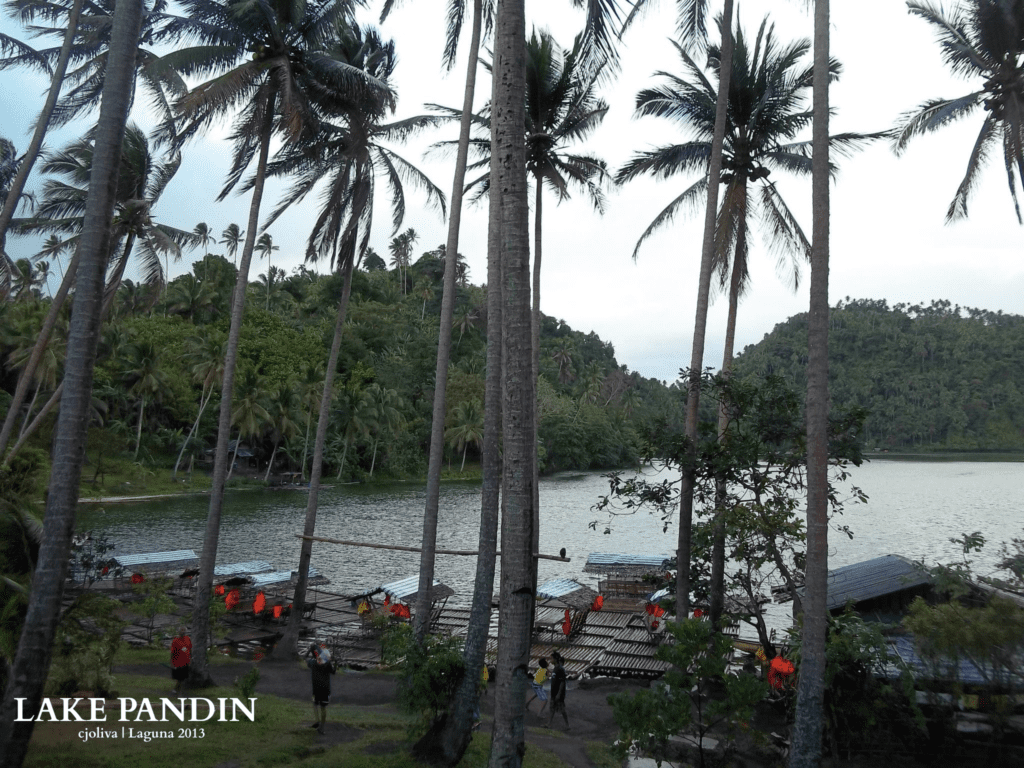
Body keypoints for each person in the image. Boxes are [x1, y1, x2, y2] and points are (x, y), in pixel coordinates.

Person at [306, 643, 336, 734]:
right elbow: (333, 671)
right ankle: (322, 727)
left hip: (316, 688)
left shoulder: (312, 663)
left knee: (315, 703)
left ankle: (317, 720)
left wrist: (309, 652)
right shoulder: (327, 664)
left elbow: (306, 659)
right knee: (323, 707)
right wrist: (334, 662)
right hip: (325, 689)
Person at [547, 651, 569, 730]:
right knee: (552, 709)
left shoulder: (560, 669)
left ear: (556, 659)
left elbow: (562, 682)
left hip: (558, 693)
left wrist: (559, 694)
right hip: (554, 692)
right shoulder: (555, 668)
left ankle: (567, 725)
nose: (551, 660)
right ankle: (549, 724)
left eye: (552, 658)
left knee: (562, 709)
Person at [170, 626, 192, 694]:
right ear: (179, 631)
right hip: (178, 661)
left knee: (183, 677)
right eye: (182, 630)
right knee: (179, 677)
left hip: (186, 660)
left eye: (184, 630)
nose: (183, 632)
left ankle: (179, 689)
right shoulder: (176, 640)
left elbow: (189, 649)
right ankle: (176, 689)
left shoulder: (188, 639)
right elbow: (172, 652)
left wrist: (190, 658)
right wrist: (171, 662)